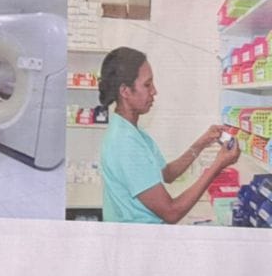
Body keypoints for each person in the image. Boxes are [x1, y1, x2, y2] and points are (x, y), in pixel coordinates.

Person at [98, 46, 239, 224]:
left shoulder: (133, 132)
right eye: (147, 85)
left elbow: (167, 174)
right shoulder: (124, 143)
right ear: (125, 91)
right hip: (137, 238)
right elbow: (171, 212)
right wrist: (218, 165)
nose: (154, 91)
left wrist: (202, 142)